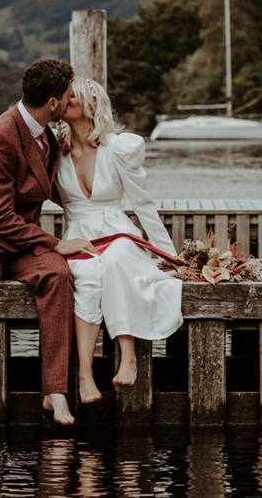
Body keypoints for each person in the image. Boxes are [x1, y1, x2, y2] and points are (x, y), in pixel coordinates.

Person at [0, 59, 97, 438]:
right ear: (51, 102)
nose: (70, 101)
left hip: (22, 240)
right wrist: (56, 242)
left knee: (58, 275)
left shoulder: (48, 133)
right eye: (67, 96)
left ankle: (55, 391)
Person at [53, 77, 182, 404]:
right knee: (86, 279)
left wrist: (170, 256)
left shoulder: (119, 148)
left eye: (73, 97)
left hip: (117, 231)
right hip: (78, 234)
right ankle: (85, 373)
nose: (65, 101)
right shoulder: (56, 150)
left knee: (114, 263)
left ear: (92, 106)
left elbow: (143, 203)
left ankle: (128, 355)